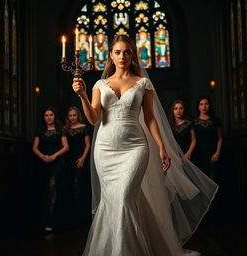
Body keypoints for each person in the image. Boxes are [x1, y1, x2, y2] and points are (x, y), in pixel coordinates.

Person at [72, 35, 218, 256]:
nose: (122, 56)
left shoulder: (143, 83)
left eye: (127, 52)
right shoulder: (100, 85)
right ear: (110, 55)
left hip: (135, 148)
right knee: (115, 201)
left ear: (133, 56)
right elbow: (93, 119)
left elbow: (150, 118)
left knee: (123, 198)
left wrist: (161, 147)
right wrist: (82, 94)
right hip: (105, 150)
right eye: (118, 52)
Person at [32, 107, 69, 233]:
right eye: (46, 115)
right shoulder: (40, 131)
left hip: (57, 162)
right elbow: (35, 148)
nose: (49, 117)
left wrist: (54, 156)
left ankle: (53, 221)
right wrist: (43, 156)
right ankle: (46, 221)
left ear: (55, 116)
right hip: (44, 163)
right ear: (44, 117)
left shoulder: (60, 130)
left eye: (51, 115)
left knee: (53, 185)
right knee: (45, 190)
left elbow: (66, 147)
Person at [64, 106, 91, 227]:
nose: (72, 118)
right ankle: (73, 217)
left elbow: (88, 144)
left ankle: (83, 217)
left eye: (74, 115)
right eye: (70, 116)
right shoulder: (65, 129)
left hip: (81, 159)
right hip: (68, 160)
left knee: (79, 185)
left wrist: (83, 158)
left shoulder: (84, 127)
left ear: (78, 115)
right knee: (70, 186)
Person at [193, 96, 223, 181]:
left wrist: (217, 153)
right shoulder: (194, 122)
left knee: (213, 178)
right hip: (198, 154)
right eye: (201, 104)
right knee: (201, 180)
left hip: (213, 154)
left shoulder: (215, 120)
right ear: (198, 107)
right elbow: (193, 140)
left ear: (210, 106)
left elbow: (220, 138)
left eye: (206, 104)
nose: (204, 106)